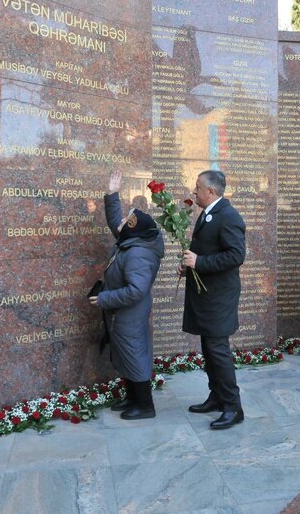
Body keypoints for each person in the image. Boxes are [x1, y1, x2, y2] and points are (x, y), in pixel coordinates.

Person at [89, 172, 164, 420]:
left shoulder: (137, 254)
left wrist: (104, 299)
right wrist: (112, 194)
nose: (119, 224)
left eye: (125, 222)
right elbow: (115, 224)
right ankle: (132, 398)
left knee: (134, 355)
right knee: (124, 354)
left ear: (133, 231)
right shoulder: (132, 242)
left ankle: (145, 406)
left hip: (129, 314)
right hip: (122, 315)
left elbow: (136, 290)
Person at [181, 170, 246, 430]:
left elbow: (236, 256)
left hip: (219, 298)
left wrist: (200, 262)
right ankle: (217, 396)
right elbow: (207, 250)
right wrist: (190, 266)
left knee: (218, 351)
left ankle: (233, 407)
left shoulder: (228, 216)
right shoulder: (208, 214)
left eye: (197, 187)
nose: (193, 191)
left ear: (211, 191)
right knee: (209, 349)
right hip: (206, 295)